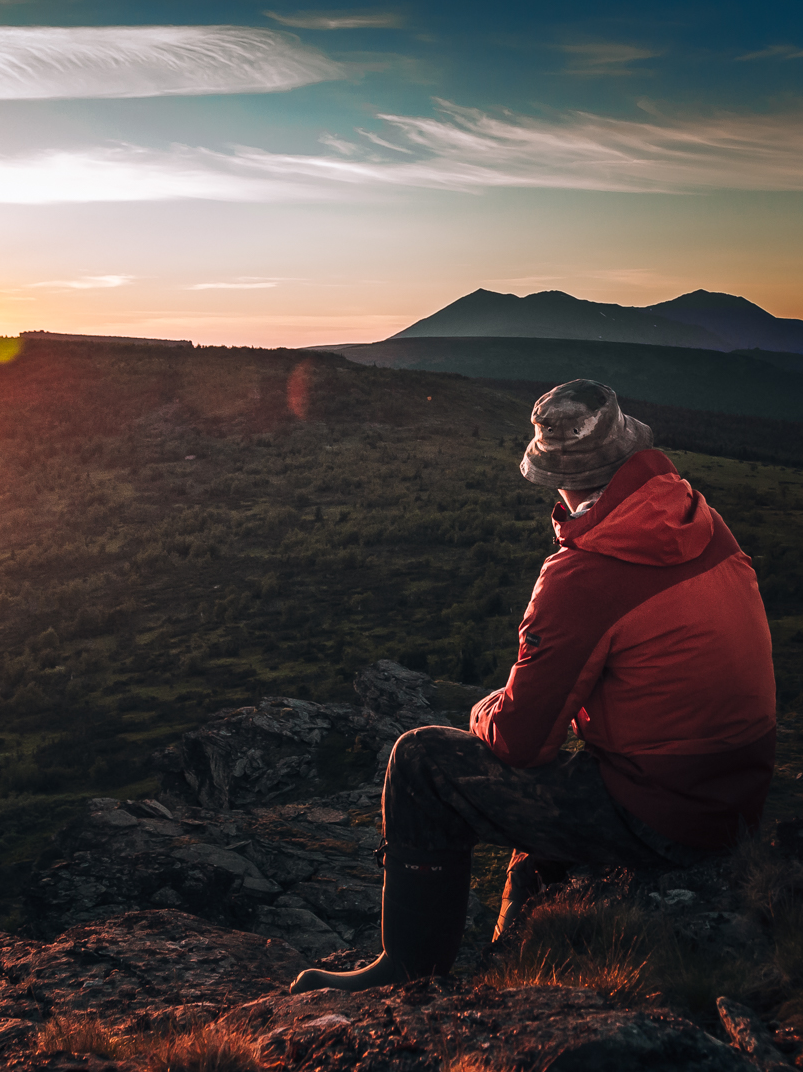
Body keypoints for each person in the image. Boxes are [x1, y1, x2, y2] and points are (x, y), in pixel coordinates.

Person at [291, 378, 776, 993]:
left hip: (665, 813)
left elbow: (521, 746)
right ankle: (510, 965)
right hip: (739, 798)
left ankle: (406, 970)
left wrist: (484, 710)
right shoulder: (699, 521)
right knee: (543, 835)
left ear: (556, 475)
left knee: (419, 759)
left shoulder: (583, 576)